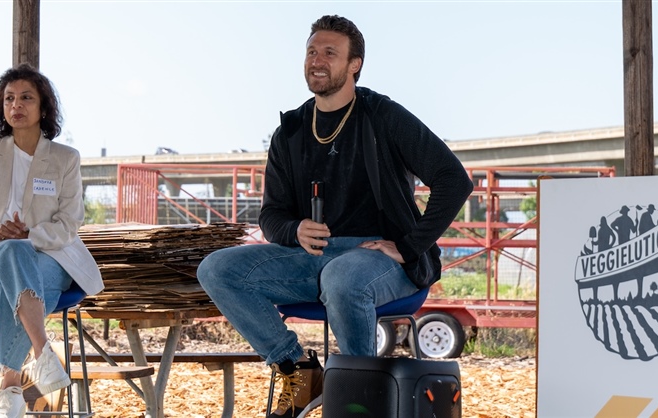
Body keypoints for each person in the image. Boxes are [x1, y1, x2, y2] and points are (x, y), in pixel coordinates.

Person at [197, 15, 473, 418]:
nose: (317, 60)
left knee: (342, 278)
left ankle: (362, 397)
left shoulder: (383, 115)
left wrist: (410, 245)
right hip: (312, 257)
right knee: (217, 269)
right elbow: (271, 216)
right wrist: (294, 229)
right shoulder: (291, 130)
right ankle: (297, 368)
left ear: (354, 64)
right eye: (311, 51)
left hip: (379, 258)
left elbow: (453, 179)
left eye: (330, 52)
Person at [0, 63, 103, 418]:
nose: (16, 105)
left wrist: (29, 235)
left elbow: (70, 222)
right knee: (11, 253)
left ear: (44, 107)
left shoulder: (65, 159)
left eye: (26, 98)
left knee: (13, 272)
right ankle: (42, 352)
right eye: (9, 99)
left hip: (49, 255)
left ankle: (9, 390)